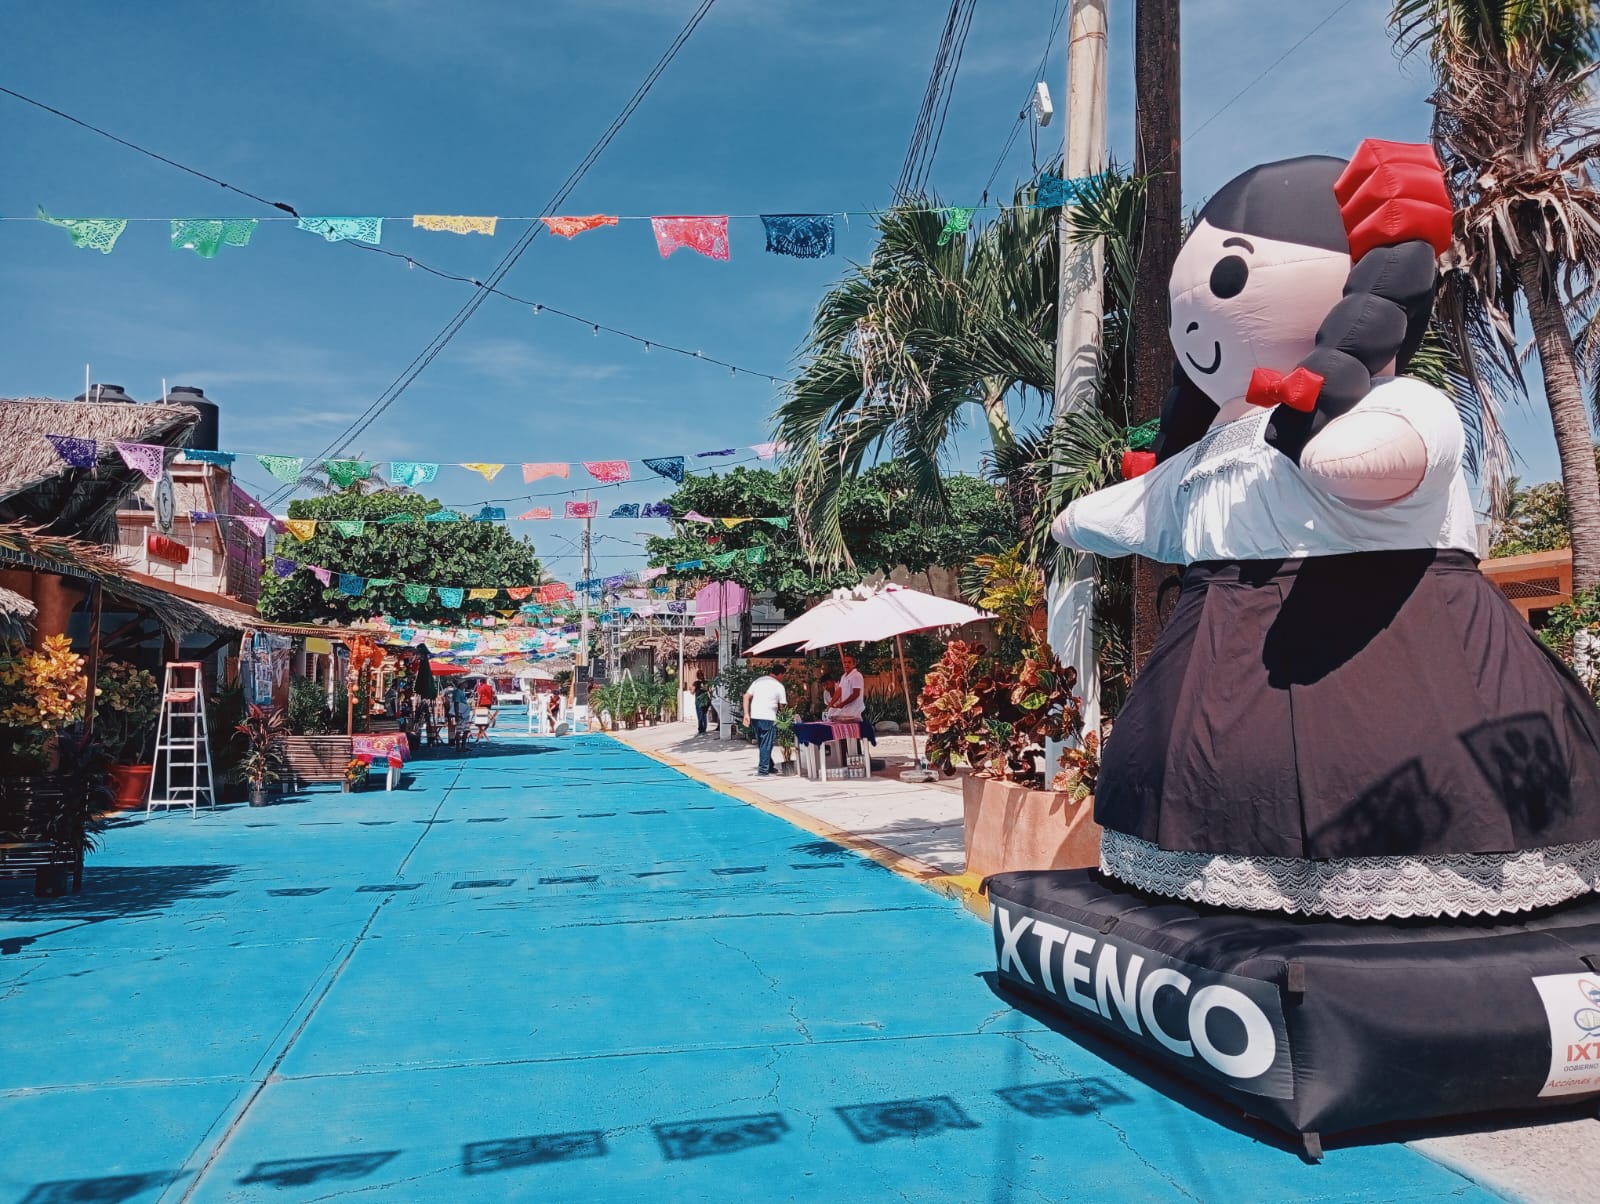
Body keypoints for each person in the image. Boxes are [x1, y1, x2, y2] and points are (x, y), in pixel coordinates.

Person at [741, 665, 787, 777]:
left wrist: (746, 714)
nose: (783, 678)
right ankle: (763, 770)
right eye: (783, 675)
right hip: (769, 717)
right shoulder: (779, 686)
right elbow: (783, 705)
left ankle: (769, 766)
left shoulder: (758, 681)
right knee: (766, 744)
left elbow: (746, 696)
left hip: (755, 717)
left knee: (763, 743)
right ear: (780, 674)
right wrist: (784, 718)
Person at [825, 653, 865, 722]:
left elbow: (856, 694)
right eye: (845, 662)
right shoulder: (843, 676)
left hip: (854, 711)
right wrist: (831, 703)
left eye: (849, 662)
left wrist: (842, 704)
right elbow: (839, 691)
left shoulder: (856, 675)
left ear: (854, 664)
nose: (846, 664)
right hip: (845, 710)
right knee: (830, 717)